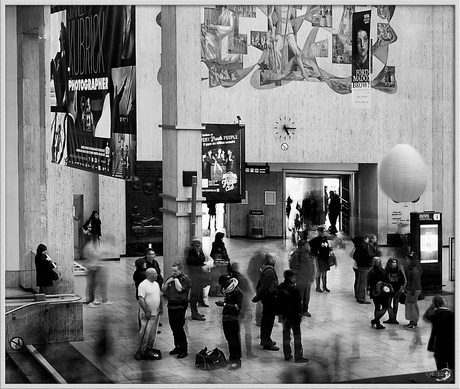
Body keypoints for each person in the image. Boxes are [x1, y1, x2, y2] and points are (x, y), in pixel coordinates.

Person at [278, 270, 310, 363]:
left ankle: (287, 354)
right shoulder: (294, 289)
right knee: (297, 336)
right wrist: (300, 314)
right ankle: (298, 356)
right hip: (294, 316)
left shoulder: (281, 287)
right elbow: (297, 304)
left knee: (286, 335)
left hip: (285, 315)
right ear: (291, 277)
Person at [227, 262, 257, 358]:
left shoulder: (231, 283)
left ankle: (238, 352)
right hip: (244, 309)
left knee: (237, 332)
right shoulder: (242, 280)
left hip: (237, 311)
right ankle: (249, 352)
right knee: (247, 332)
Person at [162, 262, 191, 359]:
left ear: (180, 270)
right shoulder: (171, 278)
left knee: (179, 329)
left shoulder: (185, 279)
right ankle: (177, 346)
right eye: (173, 271)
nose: (173, 272)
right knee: (173, 328)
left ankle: (183, 349)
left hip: (180, 307)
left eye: (175, 271)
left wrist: (175, 280)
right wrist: (167, 282)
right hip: (171, 306)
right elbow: (164, 290)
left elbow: (180, 289)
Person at [252, 252, 280, 351]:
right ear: (269, 259)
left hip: (267, 297)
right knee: (268, 320)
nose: (276, 259)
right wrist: (258, 297)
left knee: (266, 319)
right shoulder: (269, 271)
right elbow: (264, 286)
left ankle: (265, 339)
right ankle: (266, 342)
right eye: (274, 257)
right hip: (269, 298)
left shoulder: (264, 268)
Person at [215, 274, 244, 370]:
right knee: (229, 339)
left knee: (234, 339)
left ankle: (237, 361)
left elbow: (237, 307)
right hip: (226, 317)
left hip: (233, 318)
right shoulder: (228, 290)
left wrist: (224, 304)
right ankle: (232, 358)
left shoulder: (237, 291)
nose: (224, 287)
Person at [134, 268, 163, 360]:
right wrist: (146, 311)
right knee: (145, 332)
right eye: (155, 274)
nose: (157, 275)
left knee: (152, 333)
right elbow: (141, 300)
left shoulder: (156, 284)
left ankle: (149, 348)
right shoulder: (143, 285)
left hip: (155, 313)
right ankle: (141, 350)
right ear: (149, 275)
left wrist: (161, 306)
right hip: (147, 315)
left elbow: (159, 295)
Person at [422, 295, 455, 370]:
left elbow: (425, 317)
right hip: (451, 343)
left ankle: (444, 379)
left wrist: (432, 306)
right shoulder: (453, 315)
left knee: (441, 366)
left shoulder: (435, 315)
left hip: (439, 344)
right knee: (452, 365)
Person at [289, 239, 316, 317]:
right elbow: (293, 267)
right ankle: (298, 310)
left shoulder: (309, 253)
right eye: (306, 245)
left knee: (307, 295)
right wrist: (298, 276)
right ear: (302, 246)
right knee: (299, 295)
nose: (308, 246)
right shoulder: (296, 254)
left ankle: (305, 310)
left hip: (308, 278)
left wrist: (312, 275)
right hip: (300, 279)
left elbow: (312, 265)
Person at [185, 237, 207, 320]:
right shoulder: (191, 253)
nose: (198, 247)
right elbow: (191, 265)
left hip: (200, 275)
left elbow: (203, 259)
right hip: (194, 276)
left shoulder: (200, 252)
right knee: (194, 295)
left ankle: (197, 310)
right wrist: (201, 268)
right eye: (196, 246)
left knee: (198, 293)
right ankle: (194, 313)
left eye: (199, 245)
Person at [367, 257, 390, 330]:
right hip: (382, 292)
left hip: (374, 291)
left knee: (377, 307)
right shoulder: (383, 271)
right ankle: (376, 320)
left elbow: (368, 281)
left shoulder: (370, 271)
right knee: (385, 306)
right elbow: (387, 280)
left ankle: (377, 323)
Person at [308, 227, 332, 293]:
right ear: (321, 232)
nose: (327, 232)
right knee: (319, 272)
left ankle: (324, 286)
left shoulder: (325, 239)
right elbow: (309, 244)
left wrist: (330, 250)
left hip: (325, 257)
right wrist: (315, 252)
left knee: (325, 273)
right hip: (319, 258)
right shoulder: (316, 240)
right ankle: (318, 287)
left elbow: (326, 246)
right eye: (325, 231)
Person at [383, 257, 406, 324]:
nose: (394, 264)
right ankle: (391, 317)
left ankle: (394, 318)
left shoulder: (399, 271)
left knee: (395, 304)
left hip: (397, 290)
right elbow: (384, 280)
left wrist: (401, 289)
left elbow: (403, 280)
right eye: (393, 262)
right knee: (388, 304)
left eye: (395, 262)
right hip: (389, 290)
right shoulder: (386, 271)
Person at [403, 252, 423, 329]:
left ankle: (413, 321)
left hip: (413, 290)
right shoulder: (413, 268)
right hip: (412, 289)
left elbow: (414, 282)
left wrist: (411, 292)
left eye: (407, 259)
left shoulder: (415, 270)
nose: (406, 261)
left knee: (412, 305)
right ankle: (412, 321)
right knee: (410, 305)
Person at [246, 249, 266, 327]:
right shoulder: (263, 260)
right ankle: (259, 319)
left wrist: (253, 280)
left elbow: (249, 272)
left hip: (256, 282)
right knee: (261, 301)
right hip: (260, 283)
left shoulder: (253, 259)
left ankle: (259, 319)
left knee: (260, 301)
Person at [353, 235, 373, 304]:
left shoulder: (358, 246)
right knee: (363, 283)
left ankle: (358, 296)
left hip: (359, 266)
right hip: (364, 266)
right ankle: (362, 298)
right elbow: (366, 257)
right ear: (365, 239)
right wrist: (369, 263)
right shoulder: (365, 247)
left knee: (359, 282)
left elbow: (355, 256)